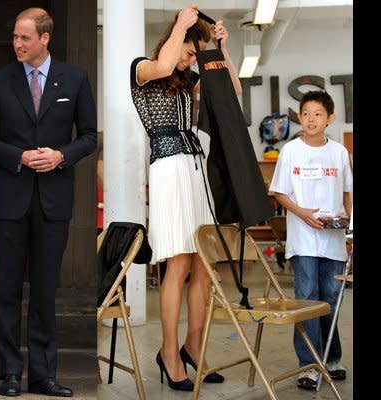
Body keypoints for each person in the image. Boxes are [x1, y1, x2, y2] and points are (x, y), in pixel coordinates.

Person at [0, 7, 97, 397]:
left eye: (24, 37)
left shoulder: (75, 79)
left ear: (45, 38)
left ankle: (43, 375)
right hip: (10, 199)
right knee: (7, 290)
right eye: (14, 37)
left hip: (54, 201)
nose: (17, 44)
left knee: (45, 291)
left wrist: (61, 155)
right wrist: (19, 156)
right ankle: (9, 372)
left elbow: (90, 136)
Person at [129, 4, 242, 392]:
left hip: (195, 167)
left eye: (195, 55)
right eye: (190, 52)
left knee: (202, 264)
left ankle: (193, 345)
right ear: (173, 40)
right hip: (168, 168)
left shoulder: (189, 79)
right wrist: (182, 24)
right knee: (177, 262)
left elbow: (233, 92)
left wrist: (221, 49)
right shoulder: (144, 67)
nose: (190, 59)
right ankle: (169, 352)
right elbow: (162, 66)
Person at [269, 90, 352, 390]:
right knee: (307, 300)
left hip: (333, 240)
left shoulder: (339, 153)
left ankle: (332, 358)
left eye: (318, 114)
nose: (311, 119)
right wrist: (302, 214)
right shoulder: (291, 151)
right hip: (303, 239)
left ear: (330, 118)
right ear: (300, 117)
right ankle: (309, 365)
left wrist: (346, 221)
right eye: (306, 114)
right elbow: (279, 192)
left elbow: (346, 193)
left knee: (330, 299)